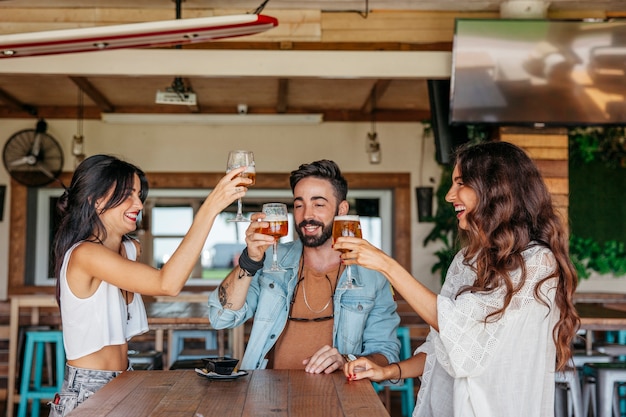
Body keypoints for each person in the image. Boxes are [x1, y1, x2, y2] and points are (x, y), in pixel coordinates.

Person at [337, 141, 580, 417]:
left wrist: (387, 265)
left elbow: (459, 330)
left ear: (495, 189)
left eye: (460, 183)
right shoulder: (467, 259)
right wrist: (390, 371)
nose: (449, 196)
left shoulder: (538, 263)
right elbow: (445, 345)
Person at [48, 154, 249, 417]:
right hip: (89, 390)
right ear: (95, 200)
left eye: (139, 194)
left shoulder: (129, 249)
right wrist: (210, 207)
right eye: (128, 194)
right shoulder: (85, 255)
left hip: (125, 379)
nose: (138, 203)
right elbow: (167, 284)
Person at [208, 159, 400, 373]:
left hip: (338, 397)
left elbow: (387, 353)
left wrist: (346, 360)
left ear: (342, 209)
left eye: (318, 204)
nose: (307, 215)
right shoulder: (271, 261)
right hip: (265, 395)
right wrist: (250, 260)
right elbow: (220, 318)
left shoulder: (374, 275)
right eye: (299, 205)